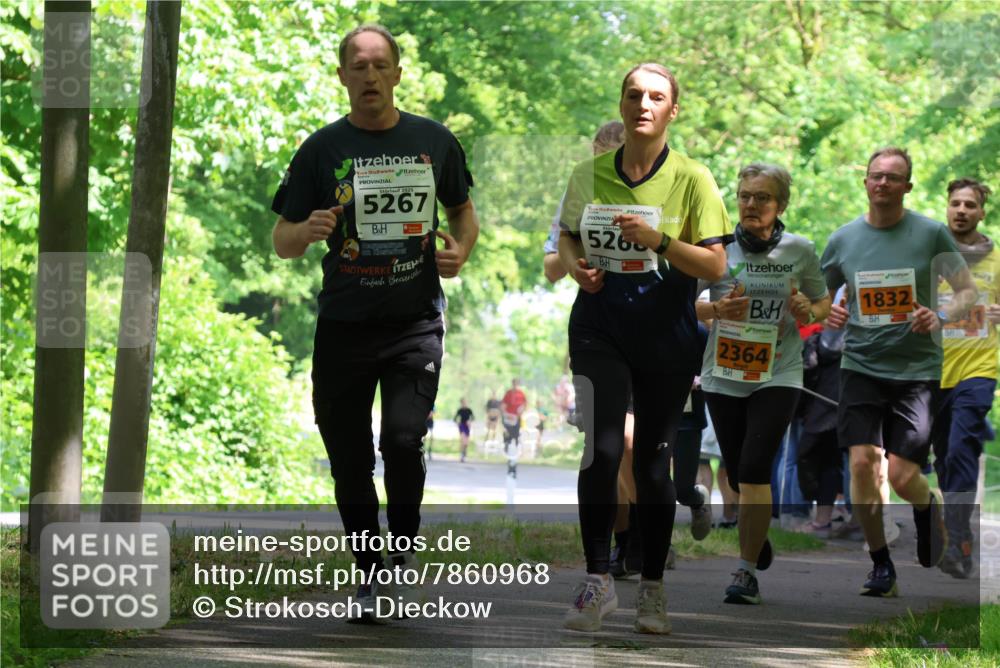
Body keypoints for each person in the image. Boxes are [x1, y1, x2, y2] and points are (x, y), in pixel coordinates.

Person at [270, 24, 478, 623]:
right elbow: (282, 240)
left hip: (414, 321)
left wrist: (459, 253)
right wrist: (304, 232)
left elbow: (465, 216)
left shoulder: (433, 141)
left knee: (403, 443)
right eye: (357, 66)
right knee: (349, 455)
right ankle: (370, 573)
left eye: (379, 65)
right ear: (342, 76)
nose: (369, 76)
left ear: (396, 74)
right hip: (344, 323)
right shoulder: (320, 149)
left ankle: (401, 558)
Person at [558, 62, 732, 634]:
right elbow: (567, 236)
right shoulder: (587, 175)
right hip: (599, 328)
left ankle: (652, 588)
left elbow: (714, 264)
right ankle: (596, 580)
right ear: (623, 102)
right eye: (634, 94)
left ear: (671, 111)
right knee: (602, 453)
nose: (644, 104)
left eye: (657, 97)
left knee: (655, 468)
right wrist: (576, 266)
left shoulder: (693, 178)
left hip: (667, 333)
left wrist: (659, 241)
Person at [821, 146, 977, 598]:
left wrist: (940, 315)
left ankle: (928, 508)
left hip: (916, 370)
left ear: (907, 186)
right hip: (861, 366)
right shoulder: (843, 239)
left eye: (894, 177)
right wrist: (826, 312)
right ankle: (881, 564)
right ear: (865, 182)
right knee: (863, 464)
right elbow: (819, 297)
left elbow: (966, 291)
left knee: (904, 476)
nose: (883, 183)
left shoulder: (929, 234)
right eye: (876, 176)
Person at [697, 163, 831, 604]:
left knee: (755, 467)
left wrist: (805, 310)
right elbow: (687, 304)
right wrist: (716, 312)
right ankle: (757, 538)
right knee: (737, 469)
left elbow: (822, 303)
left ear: (781, 205)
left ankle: (745, 570)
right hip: (724, 373)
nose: (752, 205)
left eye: (763, 198)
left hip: (780, 371)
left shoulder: (799, 249)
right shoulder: (716, 248)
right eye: (745, 196)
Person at [931, 178, 998, 579]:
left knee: (960, 450)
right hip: (934, 371)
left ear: (981, 213)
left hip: (979, 368)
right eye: (955, 203)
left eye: (969, 205)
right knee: (945, 458)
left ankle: (958, 539)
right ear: (946, 208)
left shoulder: (997, 261)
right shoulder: (933, 258)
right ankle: (958, 533)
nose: (961, 210)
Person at [501, 379, 527, 454]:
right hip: (508, 416)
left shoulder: (521, 393)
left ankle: (516, 446)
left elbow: (524, 404)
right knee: (507, 431)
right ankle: (507, 443)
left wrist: (521, 411)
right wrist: (505, 414)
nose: (515, 385)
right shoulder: (508, 393)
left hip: (517, 417)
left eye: (516, 383)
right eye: (514, 383)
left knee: (516, 432)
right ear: (512, 384)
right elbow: (503, 405)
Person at [454, 399, 474, 463]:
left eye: (465, 402)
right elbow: (454, 418)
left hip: (467, 426)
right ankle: (462, 455)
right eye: (463, 403)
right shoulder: (460, 410)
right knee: (463, 440)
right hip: (462, 425)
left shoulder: (469, 410)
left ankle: (464, 453)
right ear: (461, 403)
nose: (464, 404)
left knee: (466, 442)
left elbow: (473, 417)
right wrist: (457, 422)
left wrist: (470, 421)